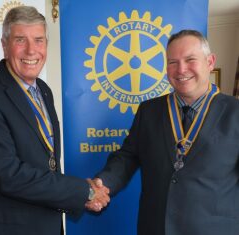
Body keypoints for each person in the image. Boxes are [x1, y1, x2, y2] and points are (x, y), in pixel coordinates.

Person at [0, 5, 109, 235]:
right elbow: (8, 174)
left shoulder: (44, 90)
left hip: (48, 224)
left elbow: (47, 161)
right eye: (21, 39)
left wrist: (83, 193)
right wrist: (84, 192)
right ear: (4, 45)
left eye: (39, 40)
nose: (32, 50)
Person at [87, 29, 239, 235]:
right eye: (172, 62)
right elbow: (127, 158)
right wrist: (101, 184)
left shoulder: (234, 112)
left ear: (210, 62)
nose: (181, 69)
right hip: (156, 228)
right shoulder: (149, 111)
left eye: (190, 59)